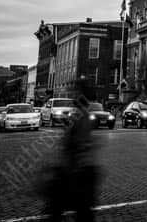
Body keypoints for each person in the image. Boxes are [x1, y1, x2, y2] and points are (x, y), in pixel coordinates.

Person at [45, 78, 98, 221]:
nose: (73, 96)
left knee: (77, 210)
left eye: (75, 93)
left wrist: (71, 164)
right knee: (80, 210)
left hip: (77, 170)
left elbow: (78, 142)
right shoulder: (79, 114)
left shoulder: (81, 116)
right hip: (76, 169)